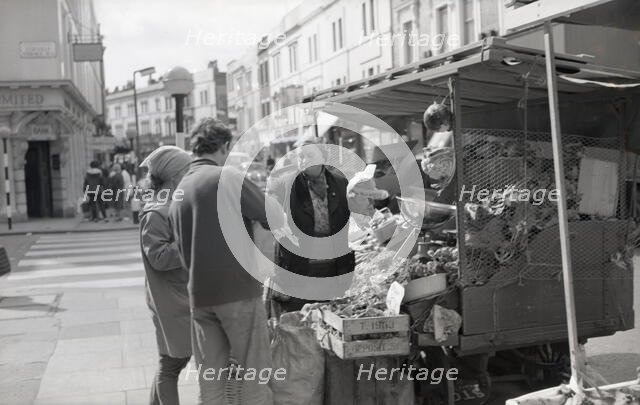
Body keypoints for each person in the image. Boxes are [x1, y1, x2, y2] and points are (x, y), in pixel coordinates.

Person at [170, 118, 277, 405]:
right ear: (225, 146)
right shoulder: (227, 177)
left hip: (200, 296)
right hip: (238, 289)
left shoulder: (180, 189)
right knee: (254, 372)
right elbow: (271, 215)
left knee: (211, 379)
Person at [266, 133, 382, 315]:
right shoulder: (284, 184)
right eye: (300, 156)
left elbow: (359, 209)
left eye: (309, 156)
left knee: (331, 320)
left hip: (333, 269)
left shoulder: (340, 182)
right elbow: (268, 212)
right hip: (299, 269)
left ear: (323, 157)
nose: (303, 160)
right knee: (299, 325)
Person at [139, 146, 193, 405]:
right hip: (169, 301)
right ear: (174, 176)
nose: (190, 174)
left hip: (178, 295)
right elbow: (158, 258)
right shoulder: (156, 212)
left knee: (172, 360)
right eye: (187, 170)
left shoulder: (172, 204)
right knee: (172, 363)